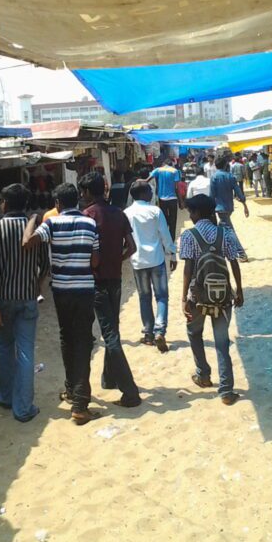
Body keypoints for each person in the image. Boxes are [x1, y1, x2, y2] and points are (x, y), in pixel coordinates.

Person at [22, 183, 102, 424]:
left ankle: (71, 390)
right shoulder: (90, 223)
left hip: (61, 291)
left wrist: (32, 220)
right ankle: (80, 403)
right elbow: (95, 261)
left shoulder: (51, 223)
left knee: (67, 338)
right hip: (84, 290)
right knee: (84, 341)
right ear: (77, 200)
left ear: (57, 204)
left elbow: (27, 243)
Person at [0, 183, 48, 422]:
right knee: (25, 351)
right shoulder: (36, 230)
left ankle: (6, 397)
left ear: (6, 204)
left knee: (4, 347)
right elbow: (45, 264)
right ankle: (23, 408)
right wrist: (37, 283)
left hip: (3, 300)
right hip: (28, 298)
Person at [79, 172, 142, 407]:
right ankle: (109, 378)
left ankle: (130, 391)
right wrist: (117, 259)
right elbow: (132, 247)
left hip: (97, 281)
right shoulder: (119, 213)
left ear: (86, 193)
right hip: (115, 278)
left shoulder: (87, 217)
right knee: (112, 327)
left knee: (110, 334)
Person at [180, 194, 245, 405]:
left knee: (194, 333)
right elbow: (234, 262)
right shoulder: (224, 233)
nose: (190, 215)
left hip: (197, 297)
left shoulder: (189, 235)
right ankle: (226, 391)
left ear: (198, 213)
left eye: (191, 212)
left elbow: (188, 269)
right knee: (222, 342)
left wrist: (183, 298)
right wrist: (239, 290)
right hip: (223, 297)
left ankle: (203, 374)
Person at [124, 180, 177, 351]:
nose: (151, 194)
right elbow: (165, 234)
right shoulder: (155, 211)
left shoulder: (126, 213)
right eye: (149, 191)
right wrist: (172, 253)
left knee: (144, 297)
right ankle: (160, 330)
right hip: (156, 259)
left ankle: (148, 333)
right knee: (161, 296)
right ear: (144, 194)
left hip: (138, 261)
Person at [210, 150, 249, 260]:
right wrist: (244, 205)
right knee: (221, 229)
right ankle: (218, 251)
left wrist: (210, 208)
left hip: (220, 208)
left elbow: (211, 195)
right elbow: (239, 193)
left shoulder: (214, 177)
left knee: (229, 231)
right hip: (229, 207)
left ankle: (241, 253)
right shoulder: (230, 176)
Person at [149, 157, 182, 240]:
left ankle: (164, 241)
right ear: (171, 164)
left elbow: (147, 180)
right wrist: (181, 201)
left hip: (162, 199)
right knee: (173, 221)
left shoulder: (158, 170)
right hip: (173, 199)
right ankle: (171, 242)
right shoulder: (175, 171)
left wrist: (138, 180)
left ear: (164, 164)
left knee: (163, 221)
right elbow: (177, 188)